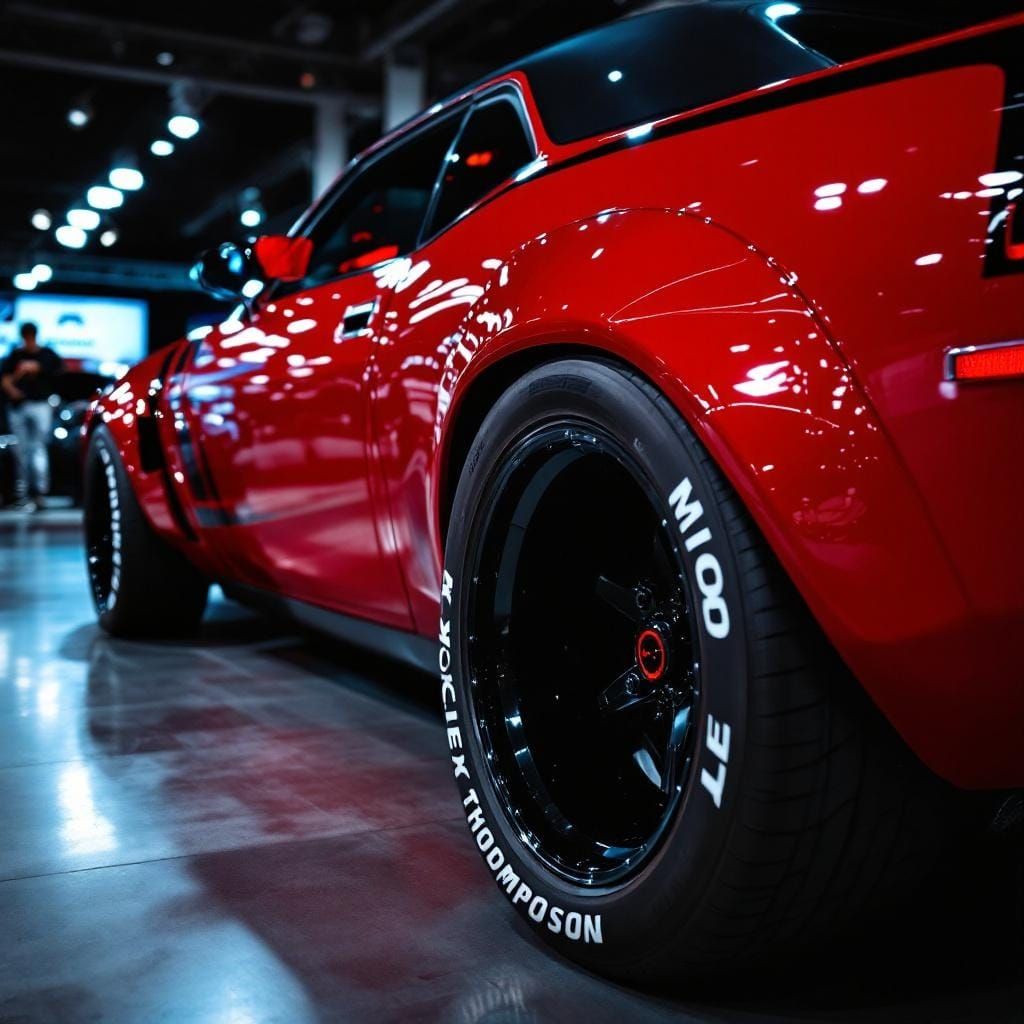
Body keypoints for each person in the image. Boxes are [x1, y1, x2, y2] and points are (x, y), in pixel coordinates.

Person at [1, 323, 63, 508]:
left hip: (40, 405)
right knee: (21, 451)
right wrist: (13, 389)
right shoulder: (15, 355)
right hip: (19, 406)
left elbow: (60, 370)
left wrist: (36, 368)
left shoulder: (46, 354)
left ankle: (39, 492)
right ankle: (23, 493)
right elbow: (4, 378)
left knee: (38, 448)